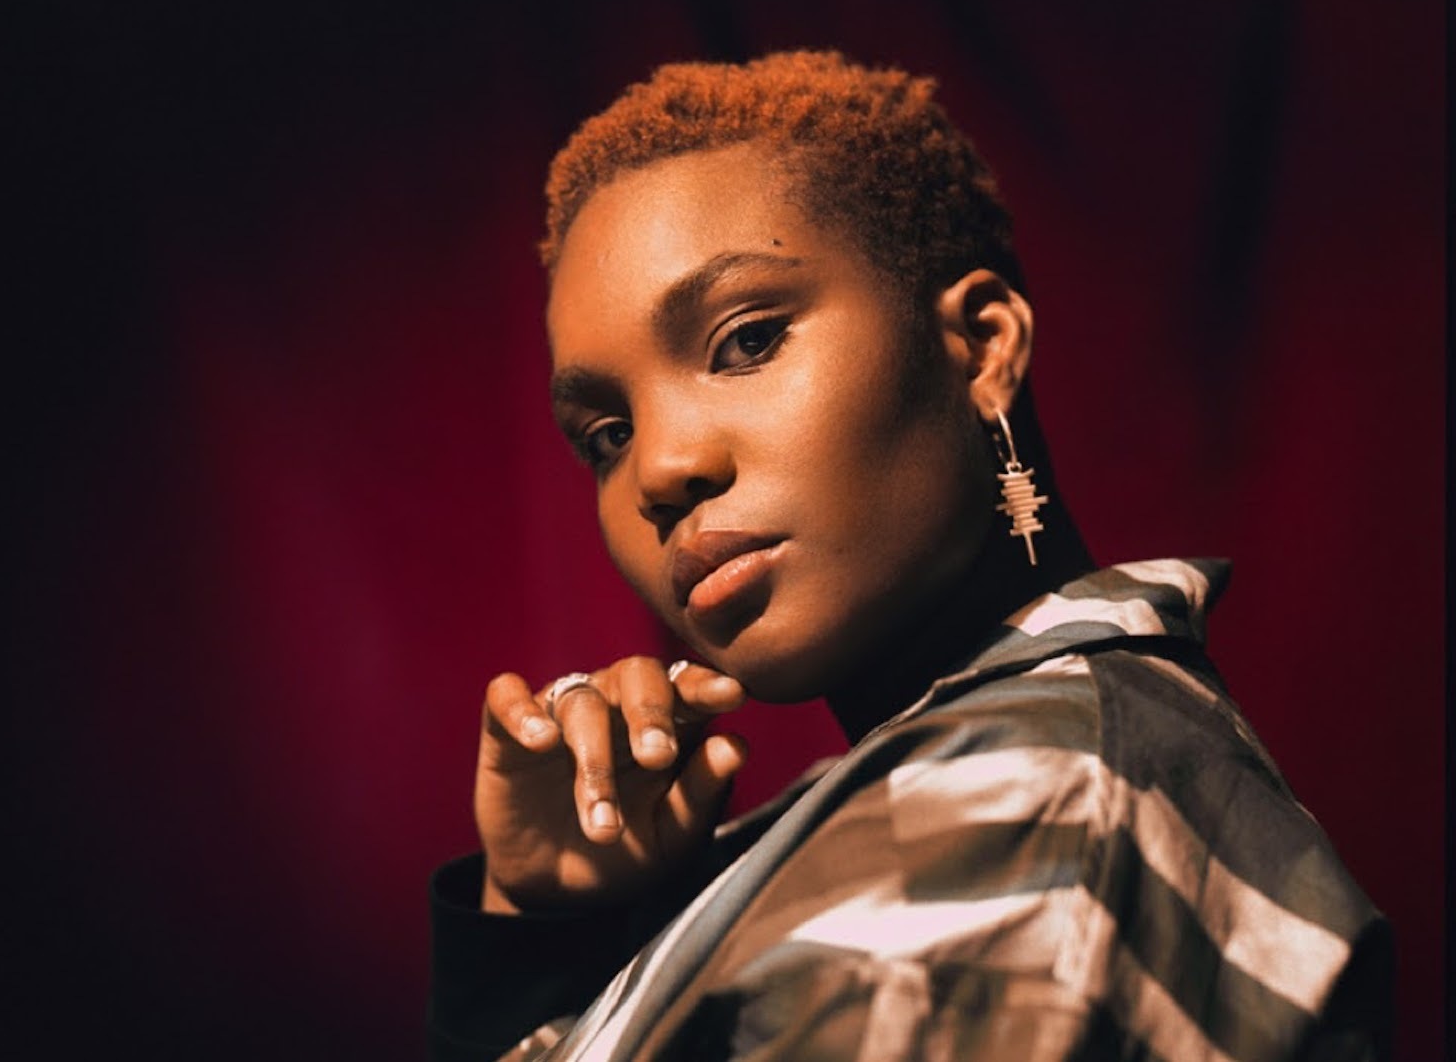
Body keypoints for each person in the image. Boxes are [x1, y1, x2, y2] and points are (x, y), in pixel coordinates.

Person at [428, 52, 1391, 1061]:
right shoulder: (938, 798)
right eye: (608, 433)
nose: (660, 470)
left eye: (747, 340)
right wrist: (541, 933)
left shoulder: (1020, 812)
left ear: (982, 345)